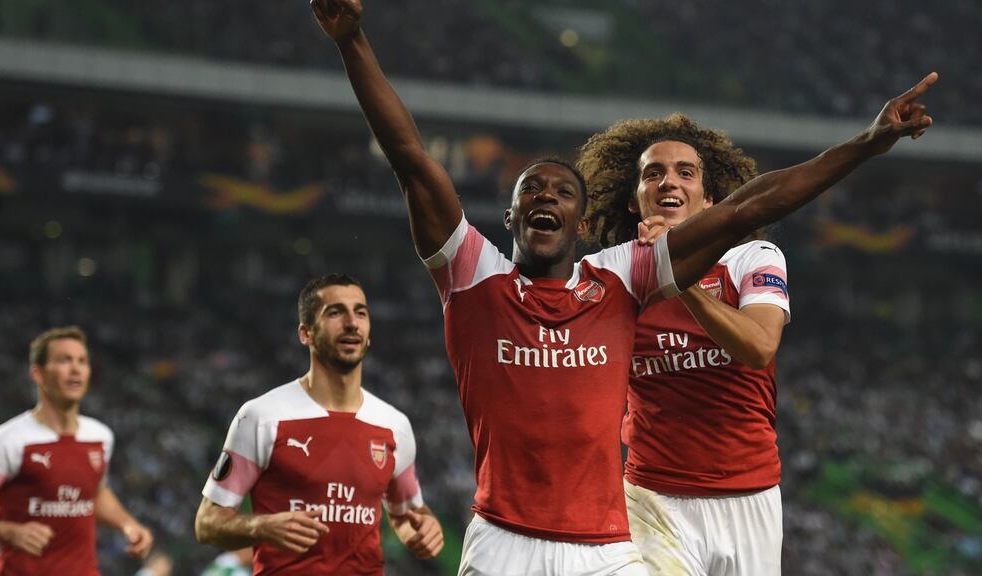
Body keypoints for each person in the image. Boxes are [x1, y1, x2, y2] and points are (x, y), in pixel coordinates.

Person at [311, 0, 936, 573]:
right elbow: (409, 156)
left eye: (563, 190)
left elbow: (750, 208)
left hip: (608, 549)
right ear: (508, 217)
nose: (547, 195)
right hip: (506, 537)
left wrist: (868, 142)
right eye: (532, 188)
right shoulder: (473, 275)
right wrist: (353, 41)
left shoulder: (622, 279)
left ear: (583, 221)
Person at [578, 114, 786, 575]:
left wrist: (677, 277)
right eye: (653, 173)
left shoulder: (751, 258)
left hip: (750, 499)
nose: (667, 180)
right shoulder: (609, 275)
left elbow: (759, 346)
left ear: (710, 199)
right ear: (635, 201)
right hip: (654, 498)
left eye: (684, 172)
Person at [194, 273, 443, 575]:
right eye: (335, 312)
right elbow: (207, 523)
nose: (352, 322)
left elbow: (407, 515)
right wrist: (262, 525)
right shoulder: (262, 416)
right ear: (306, 333)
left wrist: (423, 530)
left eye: (360, 312)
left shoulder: (394, 425)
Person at [0, 326, 154, 575]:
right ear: (38, 373)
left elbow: (94, 494)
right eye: (64, 360)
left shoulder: (100, 437)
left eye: (82, 361)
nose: (76, 369)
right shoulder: (8, 440)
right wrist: (10, 532)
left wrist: (128, 525)